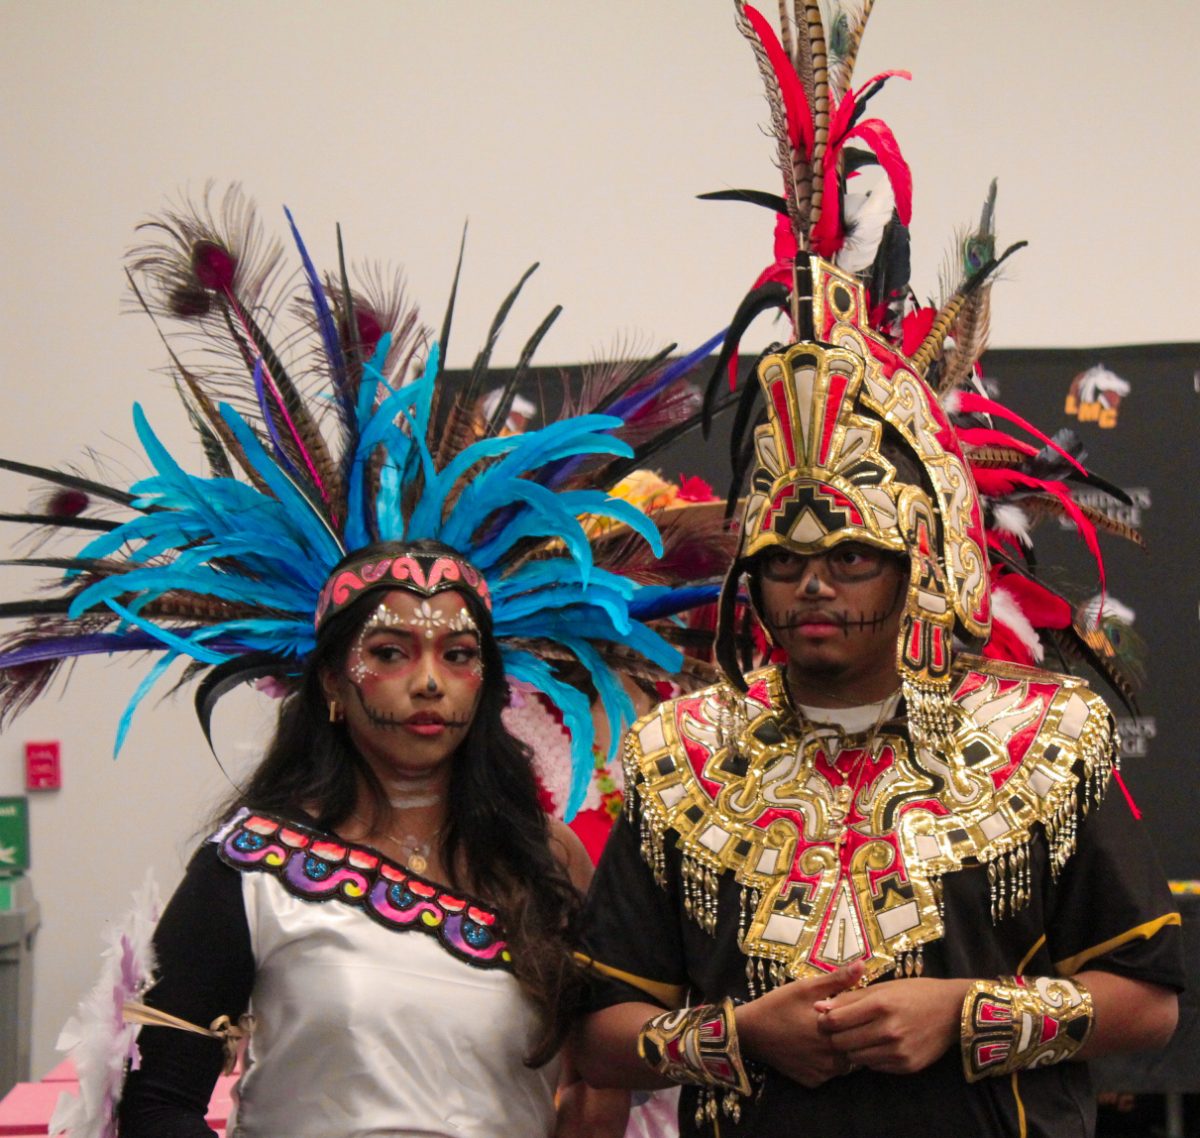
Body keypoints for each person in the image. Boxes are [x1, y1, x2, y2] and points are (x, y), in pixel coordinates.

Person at [573, 6, 1183, 1135]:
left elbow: (1147, 1002)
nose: (815, 583)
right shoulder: (679, 760)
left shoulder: (1039, 739)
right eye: (787, 558)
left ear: (919, 565)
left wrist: (972, 1013)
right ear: (747, 577)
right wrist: (736, 1036)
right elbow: (597, 1025)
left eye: (850, 556)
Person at [0, 188, 701, 1138]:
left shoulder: (548, 866)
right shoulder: (249, 866)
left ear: (487, 682)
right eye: (390, 650)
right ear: (331, 683)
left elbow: (600, 1076)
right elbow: (159, 1100)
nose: (427, 680)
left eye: (458, 654)